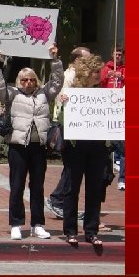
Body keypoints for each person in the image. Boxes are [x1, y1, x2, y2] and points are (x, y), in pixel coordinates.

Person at [0, 45, 64, 240]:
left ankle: (38, 224)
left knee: (38, 187)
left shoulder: (43, 93)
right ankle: (16, 223)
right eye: (24, 79)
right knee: (17, 186)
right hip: (18, 147)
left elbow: (57, 82)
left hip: (38, 147)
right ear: (19, 81)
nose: (28, 83)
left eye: (32, 79)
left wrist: (55, 60)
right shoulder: (12, 94)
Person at [61, 54, 109, 249]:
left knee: (94, 190)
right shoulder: (72, 92)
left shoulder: (106, 93)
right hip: (75, 146)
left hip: (98, 147)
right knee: (72, 188)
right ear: (85, 73)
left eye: (99, 71)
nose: (99, 75)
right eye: (95, 72)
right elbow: (61, 119)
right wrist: (62, 104)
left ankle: (91, 231)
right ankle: (70, 231)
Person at [46, 46, 91, 220]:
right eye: (86, 58)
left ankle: (60, 200)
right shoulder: (71, 76)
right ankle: (57, 199)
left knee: (72, 166)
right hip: (68, 125)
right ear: (77, 60)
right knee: (71, 166)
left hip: (73, 125)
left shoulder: (74, 75)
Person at [101, 44, 125, 191]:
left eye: (120, 55)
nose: (117, 57)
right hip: (107, 105)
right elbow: (100, 81)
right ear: (112, 54)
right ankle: (113, 156)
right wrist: (107, 76)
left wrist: (122, 76)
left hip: (121, 106)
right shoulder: (106, 68)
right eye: (115, 54)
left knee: (119, 134)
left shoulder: (124, 69)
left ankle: (118, 156)